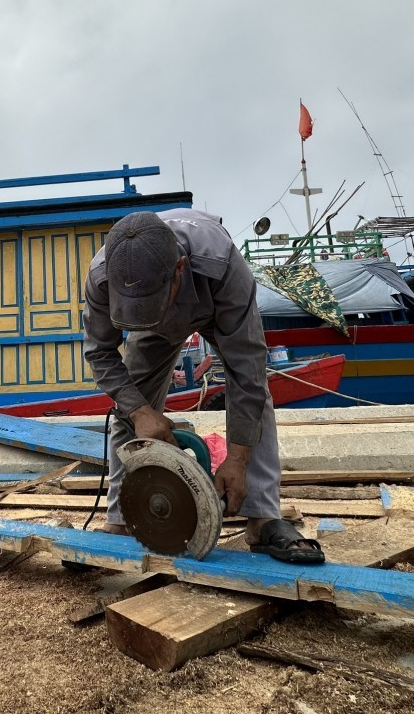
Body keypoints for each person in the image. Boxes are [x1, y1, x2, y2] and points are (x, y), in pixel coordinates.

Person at [81, 209, 324, 563]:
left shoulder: (221, 263)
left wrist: (237, 458)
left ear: (179, 269)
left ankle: (262, 518)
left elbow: (247, 370)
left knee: (256, 395)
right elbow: (99, 352)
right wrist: (139, 410)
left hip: (214, 305)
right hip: (154, 329)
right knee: (130, 407)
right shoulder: (102, 276)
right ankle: (122, 519)